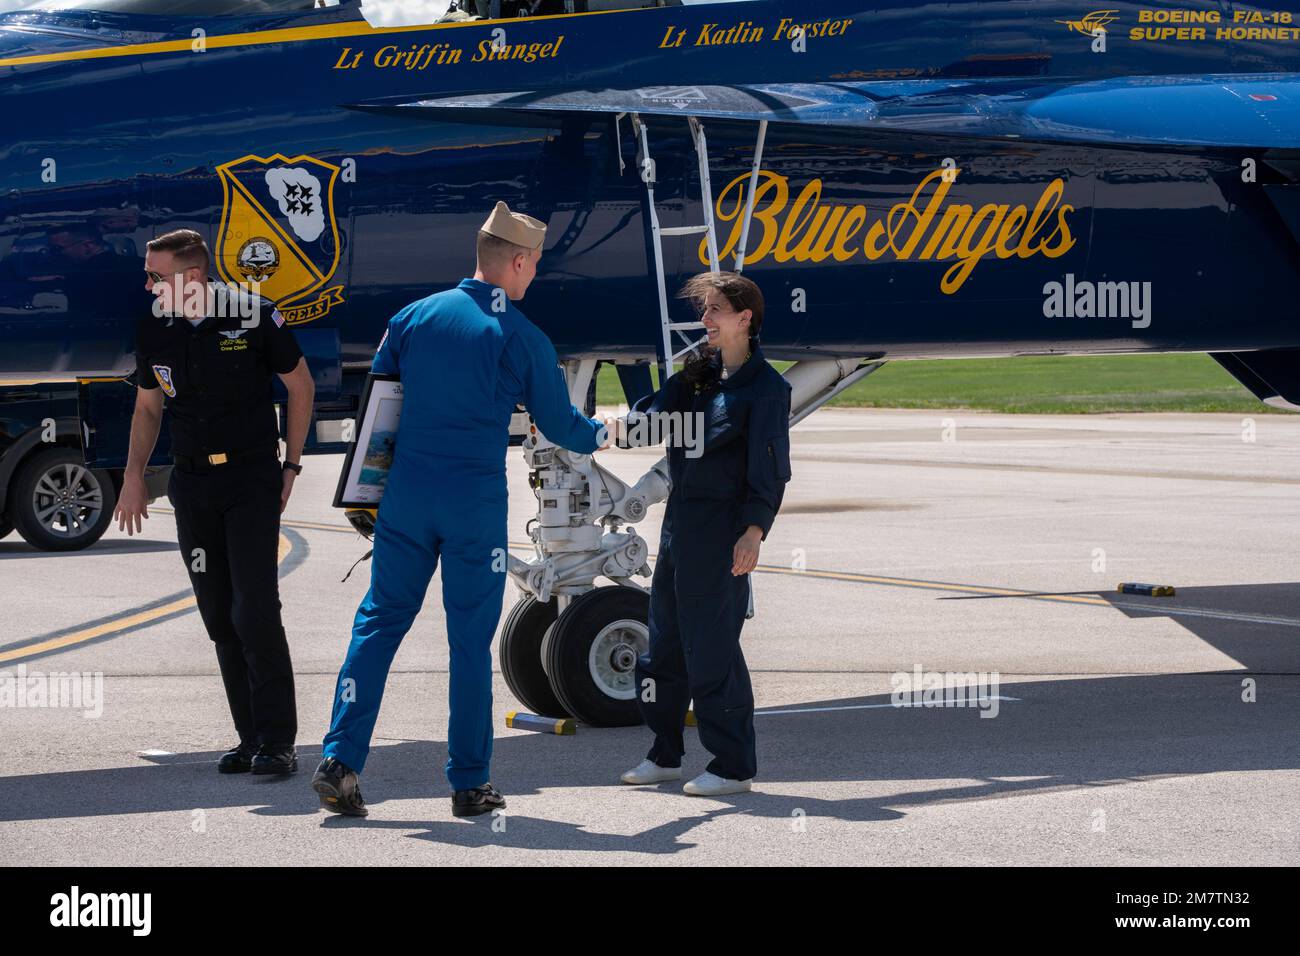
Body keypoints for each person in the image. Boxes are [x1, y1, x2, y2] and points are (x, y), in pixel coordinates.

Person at [313, 201, 607, 818]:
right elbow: (561, 426)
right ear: (519, 262)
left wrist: (368, 494)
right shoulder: (520, 335)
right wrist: (605, 433)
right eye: (533, 269)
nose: (532, 280)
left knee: (378, 623)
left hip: (405, 498)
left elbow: (381, 408)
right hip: (472, 504)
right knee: (469, 642)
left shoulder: (413, 317)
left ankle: (341, 759)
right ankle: (469, 782)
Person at [114, 228, 316, 775]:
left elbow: (300, 385)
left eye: (157, 275)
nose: (149, 284)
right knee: (219, 614)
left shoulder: (253, 314)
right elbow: (148, 409)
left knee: (255, 609)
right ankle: (249, 737)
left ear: (195, 277)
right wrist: (133, 476)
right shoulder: (154, 328)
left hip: (250, 482)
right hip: (193, 487)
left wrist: (292, 464)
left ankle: (279, 741)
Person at [612, 270, 791, 796]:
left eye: (715, 310)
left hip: (722, 535)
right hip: (679, 530)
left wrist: (753, 532)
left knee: (712, 650)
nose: (704, 319)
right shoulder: (697, 375)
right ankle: (664, 752)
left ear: (745, 319)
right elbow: (655, 413)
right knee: (662, 647)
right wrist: (617, 426)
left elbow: (769, 471)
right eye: (704, 309)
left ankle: (733, 765)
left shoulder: (767, 390)